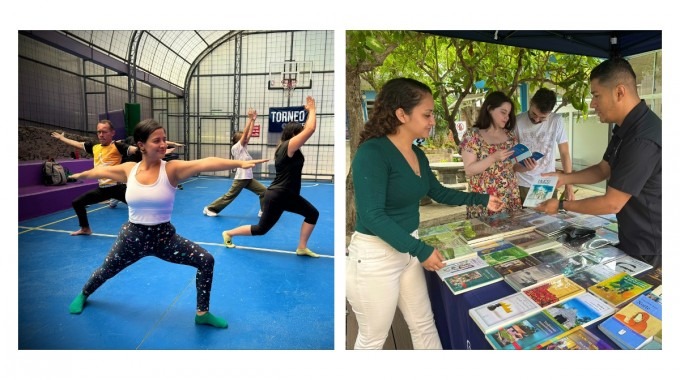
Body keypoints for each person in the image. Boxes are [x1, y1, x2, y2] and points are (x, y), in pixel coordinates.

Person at [346, 78, 503, 350]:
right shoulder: (373, 152)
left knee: (424, 325)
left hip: (407, 250)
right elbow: (372, 215)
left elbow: (439, 192)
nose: (432, 121)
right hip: (375, 256)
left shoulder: (417, 154)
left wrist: (483, 198)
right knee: (373, 340)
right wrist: (420, 249)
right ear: (401, 114)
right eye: (427, 114)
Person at [66, 118, 267, 328]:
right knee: (105, 270)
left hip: (164, 238)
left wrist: (238, 163)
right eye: (157, 140)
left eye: (164, 139)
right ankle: (84, 294)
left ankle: (202, 313)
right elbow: (101, 171)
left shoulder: (171, 169)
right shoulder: (129, 170)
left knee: (206, 260)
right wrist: (81, 174)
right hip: (132, 238)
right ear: (141, 145)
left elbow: (204, 162)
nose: (163, 144)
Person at [535, 58, 661, 268]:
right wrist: (564, 178)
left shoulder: (642, 139)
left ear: (620, 92)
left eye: (596, 95)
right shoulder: (624, 128)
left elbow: (612, 203)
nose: (592, 104)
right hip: (632, 237)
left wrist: (560, 205)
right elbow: (604, 168)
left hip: (650, 246)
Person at [221, 96, 321, 258]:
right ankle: (228, 233)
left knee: (312, 214)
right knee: (261, 229)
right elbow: (310, 129)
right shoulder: (288, 146)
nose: (303, 136)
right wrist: (312, 109)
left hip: (287, 195)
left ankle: (302, 247)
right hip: (279, 195)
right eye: (299, 133)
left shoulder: (288, 148)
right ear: (294, 134)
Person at [51, 120, 136, 235]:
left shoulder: (118, 146)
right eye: (99, 132)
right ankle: (85, 228)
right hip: (103, 189)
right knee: (77, 203)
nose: (101, 134)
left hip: (119, 188)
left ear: (112, 133)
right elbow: (77, 144)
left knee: (141, 206)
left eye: (104, 132)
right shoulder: (94, 147)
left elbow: (136, 150)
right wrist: (62, 139)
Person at [460, 91, 522, 218]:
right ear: (489, 109)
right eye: (503, 112)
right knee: (485, 235)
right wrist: (493, 157)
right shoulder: (472, 136)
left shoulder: (510, 136)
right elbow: (469, 170)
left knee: (511, 235)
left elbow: (512, 168)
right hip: (484, 199)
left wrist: (526, 167)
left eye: (509, 114)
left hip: (509, 197)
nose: (507, 117)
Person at [203, 107, 266, 218]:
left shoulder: (244, 148)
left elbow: (249, 134)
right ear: (238, 140)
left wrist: (253, 120)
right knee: (230, 196)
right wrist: (249, 119)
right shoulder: (236, 147)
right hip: (241, 179)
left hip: (248, 178)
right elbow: (246, 134)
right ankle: (210, 208)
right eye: (243, 138)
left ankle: (263, 211)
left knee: (265, 192)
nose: (247, 139)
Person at [514, 88, 574, 202]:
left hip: (546, 183)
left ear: (550, 113)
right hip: (522, 183)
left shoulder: (556, 121)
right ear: (531, 102)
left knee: (547, 219)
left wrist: (569, 185)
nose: (536, 120)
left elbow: (564, 153)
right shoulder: (517, 121)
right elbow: (511, 157)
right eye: (534, 114)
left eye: (542, 118)